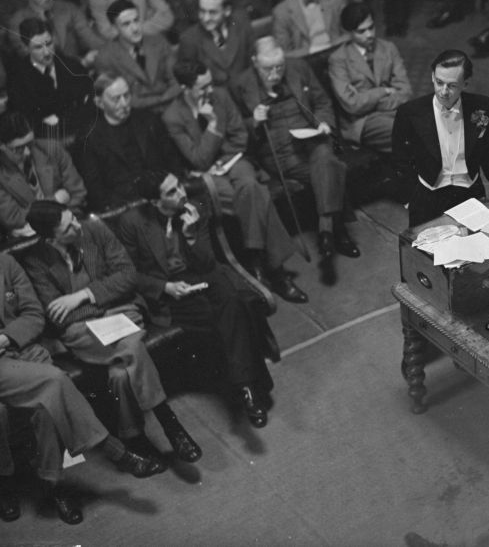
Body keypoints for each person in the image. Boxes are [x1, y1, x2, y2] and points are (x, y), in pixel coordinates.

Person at [22, 200, 202, 464]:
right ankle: (169, 422)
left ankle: (136, 438)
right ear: (50, 238)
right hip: (82, 330)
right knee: (127, 357)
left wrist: (83, 295)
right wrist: (103, 300)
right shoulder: (35, 261)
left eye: (73, 218)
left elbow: (127, 275)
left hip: (121, 313)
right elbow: (56, 314)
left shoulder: (94, 229)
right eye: (67, 227)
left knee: (122, 370)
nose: (76, 226)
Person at [0, 252, 166, 525]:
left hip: (22, 351)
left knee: (46, 406)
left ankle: (53, 483)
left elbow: (33, 314)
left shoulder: (6, 263)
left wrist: (6, 338)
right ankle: (115, 450)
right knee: (54, 380)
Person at [117, 171, 282, 427]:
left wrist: (191, 235)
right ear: (155, 201)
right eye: (172, 192)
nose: (182, 193)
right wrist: (165, 287)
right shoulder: (132, 222)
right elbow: (127, 273)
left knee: (232, 300)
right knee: (228, 311)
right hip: (169, 290)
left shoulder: (195, 209)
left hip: (201, 274)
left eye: (179, 186)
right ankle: (249, 388)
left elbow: (207, 263)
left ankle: (244, 386)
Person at [162, 60, 307, 302]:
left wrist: (223, 160)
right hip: (206, 177)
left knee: (251, 186)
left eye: (210, 84)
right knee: (256, 195)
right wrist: (214, 125)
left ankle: (256, 261)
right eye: (202, 87)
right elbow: (198, 160)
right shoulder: (173, 116)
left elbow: (240, 137)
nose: (210, 90)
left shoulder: (220, 95)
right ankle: (277, 272)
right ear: (185, 88)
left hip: (235, 161)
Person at [231, 37, 359, 284]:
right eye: (268, 69)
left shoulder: (298, 67)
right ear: (255, 62)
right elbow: (235, 130)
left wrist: (323, 123)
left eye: (279, 67)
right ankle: (334, 230)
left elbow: (322, 102)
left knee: (326, 157)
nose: (275, 73)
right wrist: (254, 121)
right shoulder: (240, 84)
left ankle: (325, 230)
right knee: (331, 167)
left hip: (309, 141)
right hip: (276, 153)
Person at [392, 49, 489, 226]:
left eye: (452, 85)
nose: (443, 92)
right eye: (439, 82)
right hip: (428, 197)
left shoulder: (481, 106)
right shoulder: (409, 112)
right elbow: (399, 158)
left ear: (465, 84)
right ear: (432, 77)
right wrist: (409, 200)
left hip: (470, 193)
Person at [77, 74, 183, 211]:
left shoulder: (148, 120)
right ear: (99, 103)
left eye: (126, 96)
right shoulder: (89, 138)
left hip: (164, 194)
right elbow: (95, 189)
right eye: (116, 99)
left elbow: (173, 160)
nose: (124, 104)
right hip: (125, 207)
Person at [328, 2, 412, 152]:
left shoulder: (388, 48)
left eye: (371, 27)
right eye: (361, 31)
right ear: (349, 33)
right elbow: (352, 104)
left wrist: (372, 102)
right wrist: (384, 91)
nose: (369, 35)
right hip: (362, 122)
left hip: (392, 111)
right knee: (407, 132)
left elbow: (406, 91)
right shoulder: (338, 59)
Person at [0, 111, 86, 238]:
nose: (28, 152)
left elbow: (78, 192)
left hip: (70, 224)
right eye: (18, 148)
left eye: (30, 143)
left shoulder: (52, 149)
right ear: (2, 147)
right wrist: (55, 200)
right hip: (31, 238)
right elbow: (12, 217)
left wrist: (65, 222)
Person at [7, 18, 93, 141]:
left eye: (49, 44)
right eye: (38, 47)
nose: (47, 53)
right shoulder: (18, 79)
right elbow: (24, 119)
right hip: (46, 141)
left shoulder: (73, 67)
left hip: (82, 135)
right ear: (26, 48)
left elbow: (89, 102)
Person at [9, 0, 104, 68]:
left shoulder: (68, 8)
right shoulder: (17, 23)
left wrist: (103, 51)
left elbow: (91, 39)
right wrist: (82, 62)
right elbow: (36, 61)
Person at [95, 0, 180, 113]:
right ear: (115, 28)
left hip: (172, 107)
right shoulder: (105, 57)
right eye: (126, 24)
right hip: (138, 114)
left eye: (136, 20)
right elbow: (121, 99)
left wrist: (165, 101)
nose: (135, 28)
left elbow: (177, 81)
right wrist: (160, 100)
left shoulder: (159, 41)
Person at [177, 0, 255, 86]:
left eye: (212, 12)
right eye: (202, 11)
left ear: (227, 11)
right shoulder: (189, 39)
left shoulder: (241, 24)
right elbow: (190, 80)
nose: (205, 18)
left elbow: (253, 59)